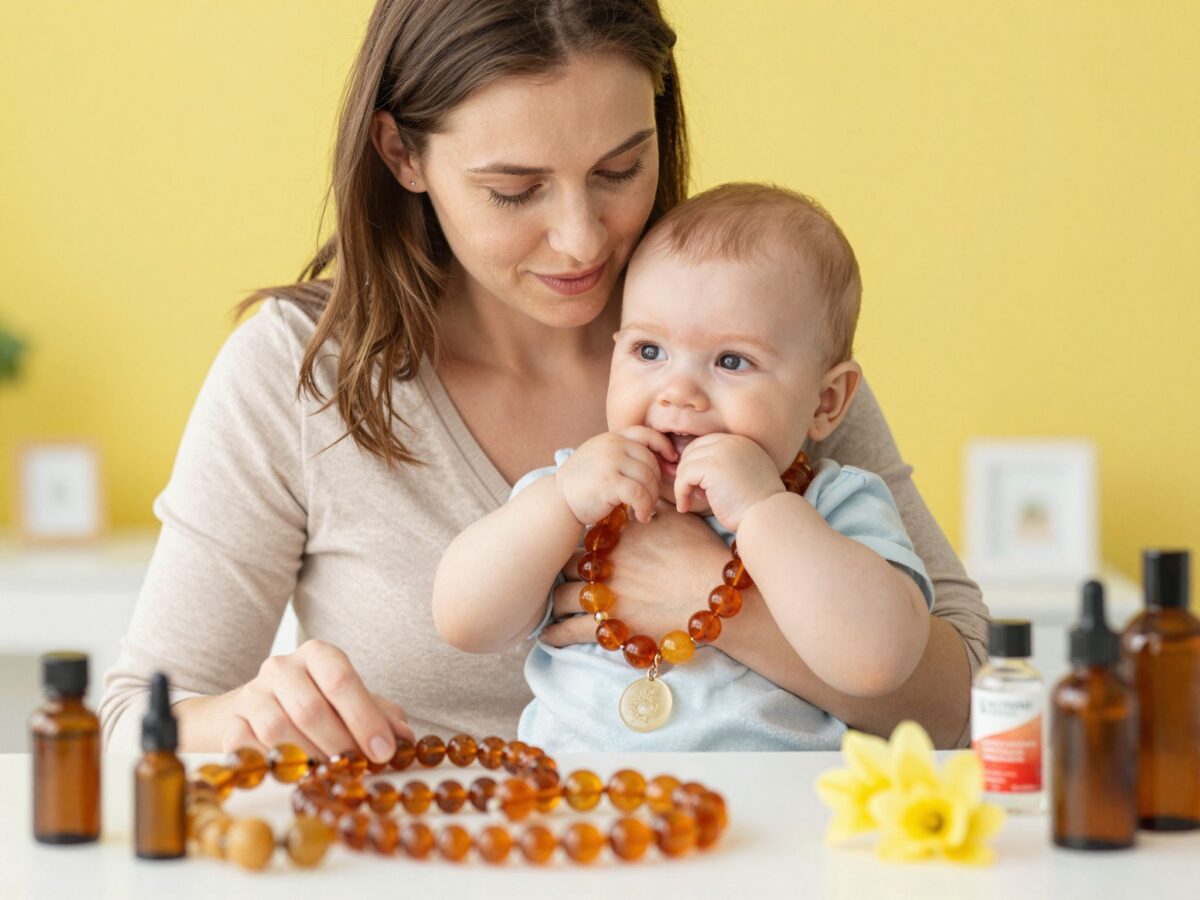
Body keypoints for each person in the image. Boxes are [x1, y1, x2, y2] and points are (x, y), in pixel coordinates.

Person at [99, 0, 988, 764]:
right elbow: (132, 716)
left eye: (619, 170)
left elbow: (967, 702)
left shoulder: (753, 335)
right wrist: (243, 720)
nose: (582, 239)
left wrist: (711, 597)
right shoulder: (300, 371)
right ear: (402, 153)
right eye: (515, 189)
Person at [433, 183, 933, 750]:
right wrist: (561, 501)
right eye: (649, 352)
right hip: (582, 793)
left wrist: (763, 508)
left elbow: (876, 663)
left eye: (732, 361)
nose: (678, 392)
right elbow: (463, 621)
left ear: (826, 402)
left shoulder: (833, 503)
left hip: (772, 798)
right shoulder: (578, 492)